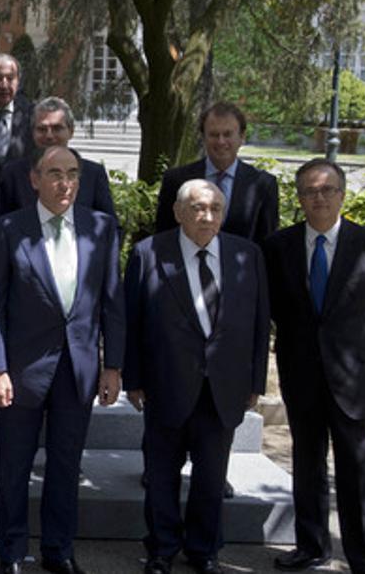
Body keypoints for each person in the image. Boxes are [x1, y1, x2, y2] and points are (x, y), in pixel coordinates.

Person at [0, 145, 125, 574]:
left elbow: (113, 303)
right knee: (13, 467)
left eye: (73, 174)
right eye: (55, 173)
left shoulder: (101, 228)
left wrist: (112, 365)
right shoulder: (9, 229)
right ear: (35, 179)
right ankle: (10, 551)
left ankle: (59, 551)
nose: (65, 183)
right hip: (22, 371)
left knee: (66, 467)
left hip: (77, 371)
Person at [123, 179, 269, 574]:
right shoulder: (149, 253)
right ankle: (162, 549)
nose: (207, 216)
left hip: (223, 387)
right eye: (198, 208)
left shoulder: (247, 255)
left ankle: (204, 549)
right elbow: (131, 321)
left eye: (215, 209)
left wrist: (257, 381)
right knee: (161, 475)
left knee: (211, 477)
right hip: (165, 384)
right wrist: (131, 379)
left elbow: (259, 323)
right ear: (178, 212)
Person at [264, 159, 365, 574]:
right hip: (302, 373)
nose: (318, 197)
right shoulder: (278, 246)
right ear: (300, 198)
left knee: (359, 470)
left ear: (342, 194)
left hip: (354, 377)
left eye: (327, 189)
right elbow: (276, 309)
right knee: (307, 464)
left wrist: (362, 356)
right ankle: (311, 546)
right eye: (309, 191)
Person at [154, 102, 277, 243]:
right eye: (213, 134)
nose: (221, 141)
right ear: (203, 137)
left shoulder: (262, 184)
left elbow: (267, 242)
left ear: (242, 136)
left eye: (227, 134)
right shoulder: (176, 180)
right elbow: (163, 235)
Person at [0, 97, 115, 219]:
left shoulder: (93, 174)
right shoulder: (12, 174)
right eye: (42, 129)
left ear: (71, 131)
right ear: (32, 132)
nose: (49, 136)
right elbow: (3, 226)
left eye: (57, 128)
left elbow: (110, 227)